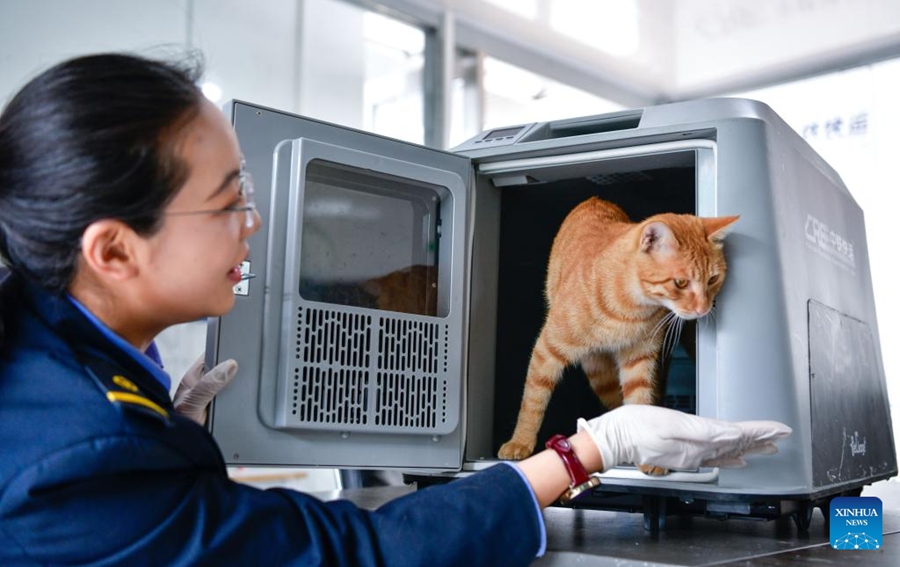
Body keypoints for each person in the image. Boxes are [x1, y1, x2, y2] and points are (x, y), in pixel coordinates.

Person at [0, 53, 792, 566]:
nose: (256, 218)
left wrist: (163, 433)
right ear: (112, 251)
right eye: (226, 200)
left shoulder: (55, 358)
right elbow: (351, 554)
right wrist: (589, 449)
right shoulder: (76, 460)